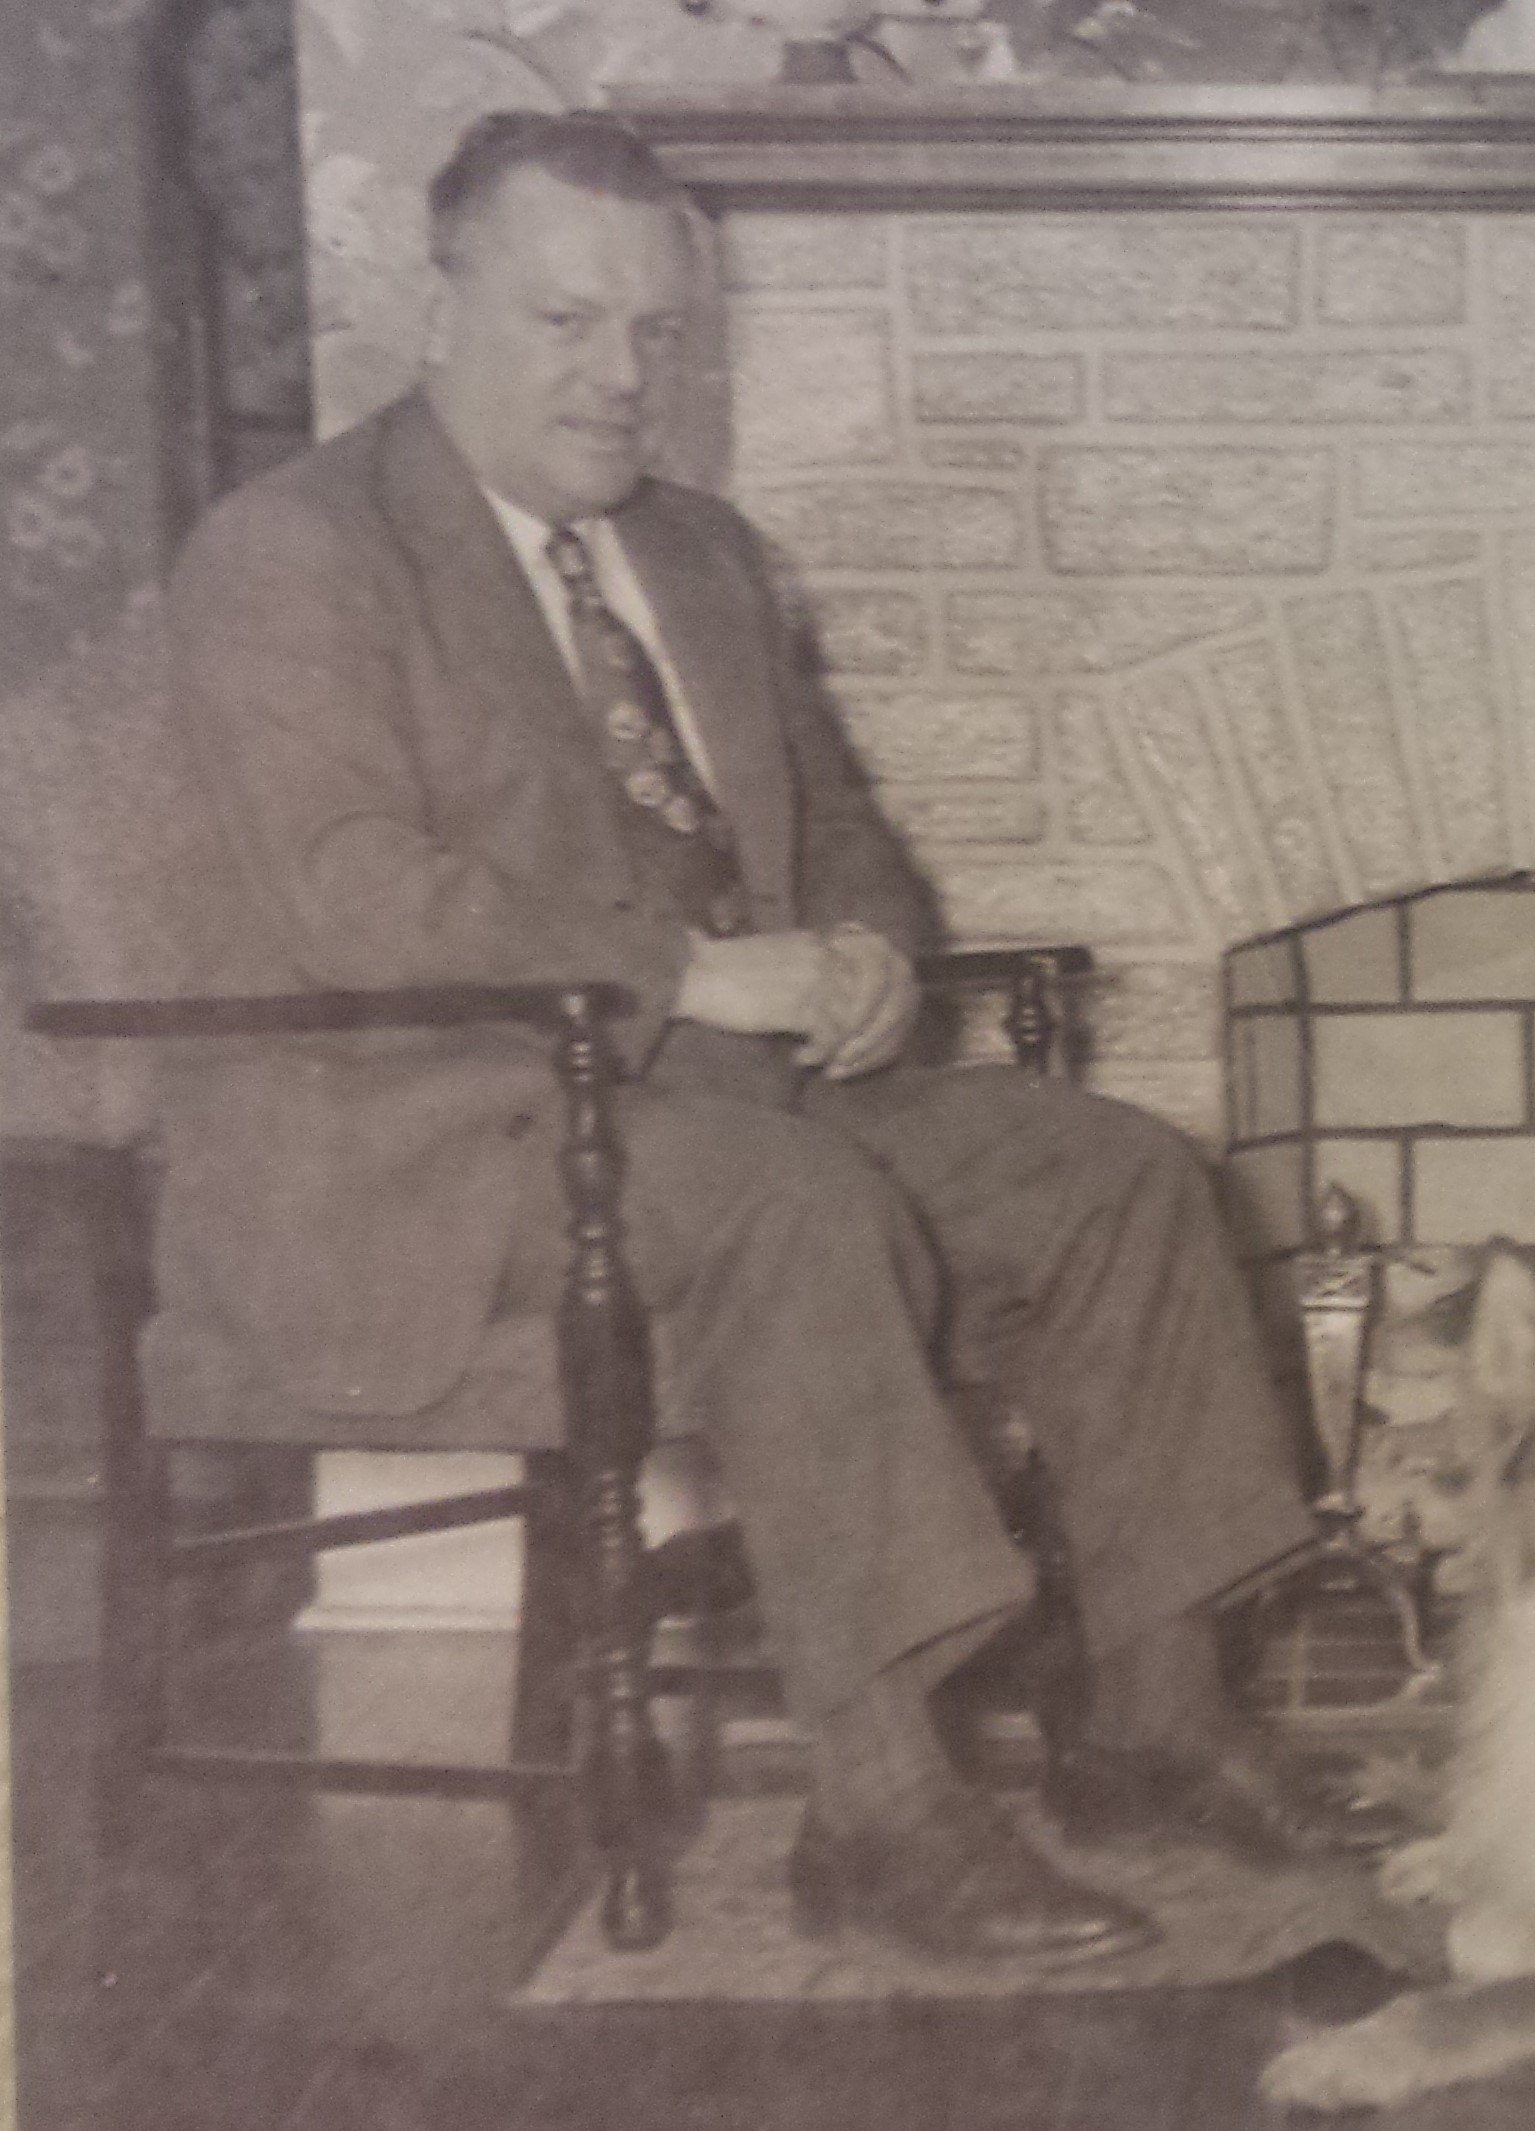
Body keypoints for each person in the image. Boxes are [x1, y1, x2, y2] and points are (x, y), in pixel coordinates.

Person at [150, 111, 1330, 1964]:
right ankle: (884, 1812)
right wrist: (692, 974)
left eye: (657, 331)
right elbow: (347, 892)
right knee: (790, 1207)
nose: (620, 375)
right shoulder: (294, 551)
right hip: (422, 1144)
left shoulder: (699, 557)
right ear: (432, 303)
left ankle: (1155, 1728)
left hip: (715, 1118)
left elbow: (838, 825)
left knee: (1116, 1175)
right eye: (564, 321)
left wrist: (865, 951)